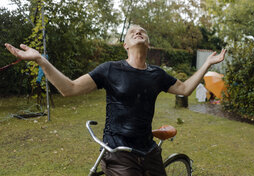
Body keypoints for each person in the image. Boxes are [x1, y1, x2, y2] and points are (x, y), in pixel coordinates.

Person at [4, 24, 226, 176]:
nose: (138, 32)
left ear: (148, 44)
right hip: (118, 153)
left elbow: (186, 89)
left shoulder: (157, 74)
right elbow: (69, 88)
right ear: (126, 45)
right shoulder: (110, 69)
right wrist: (41, 60)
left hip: (149, 151)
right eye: (132, 32)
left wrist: (206, 64)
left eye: (143, 32)